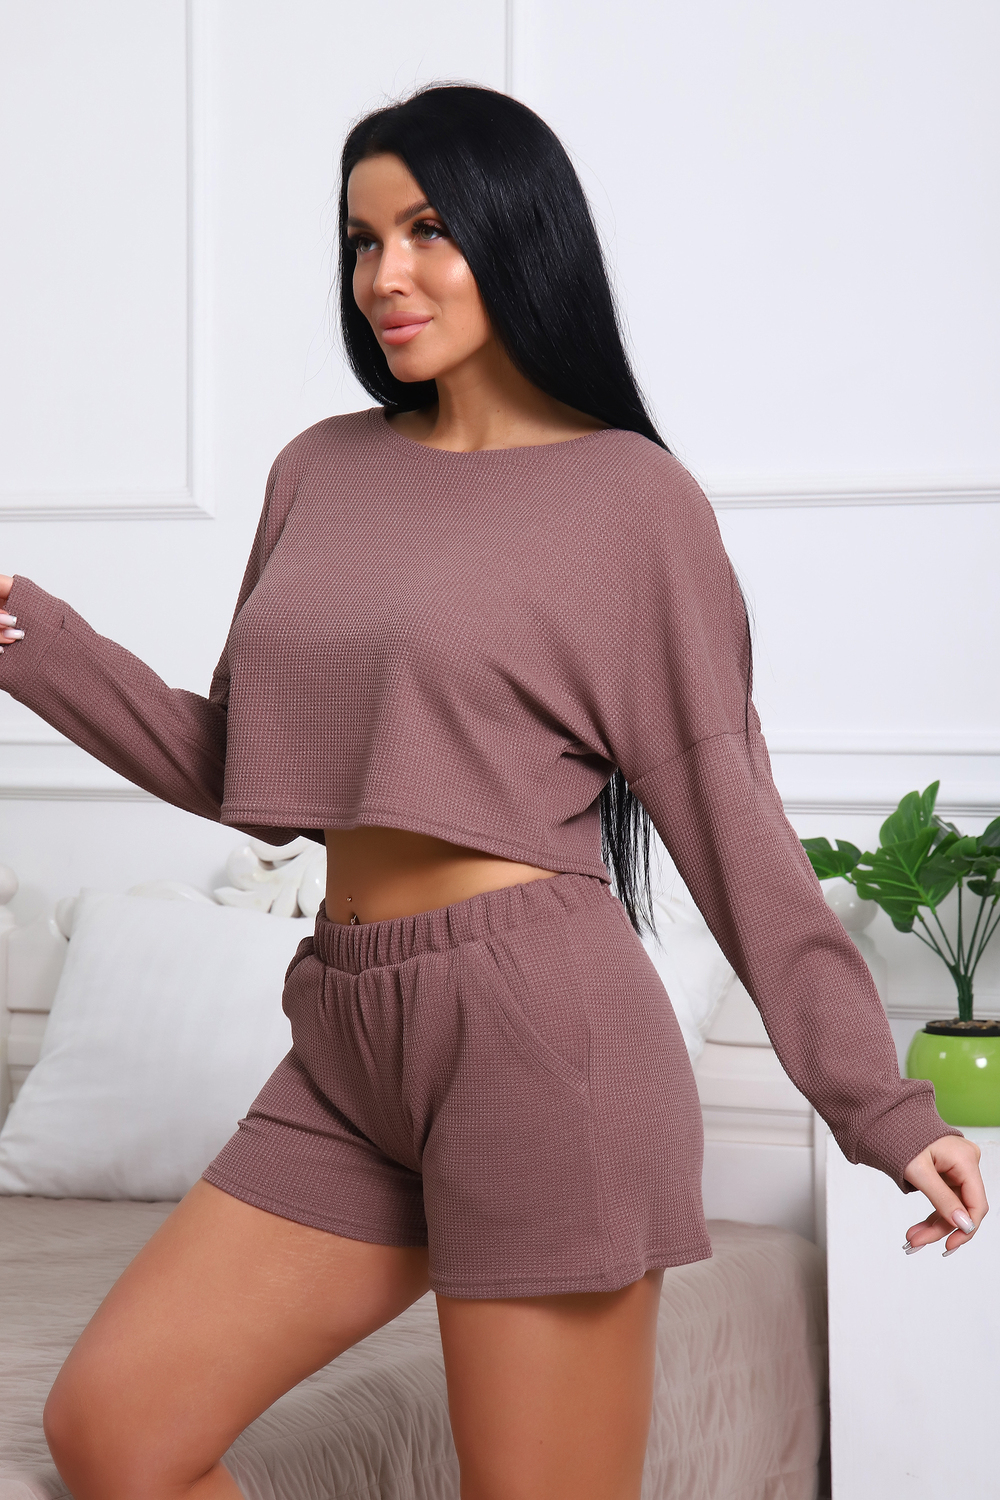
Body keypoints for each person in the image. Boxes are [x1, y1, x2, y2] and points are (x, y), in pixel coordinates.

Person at [0, 83, 986, 1500]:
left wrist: (880, 1108)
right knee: (117, 1435)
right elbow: (251, 772)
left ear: (520, 237)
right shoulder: (318, 470)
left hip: (543, 1044)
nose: (384, 275)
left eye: (428, 230)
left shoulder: (627, 501)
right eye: (361, 240)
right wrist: (29, 638)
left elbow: (731, 821)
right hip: (348, 1030)